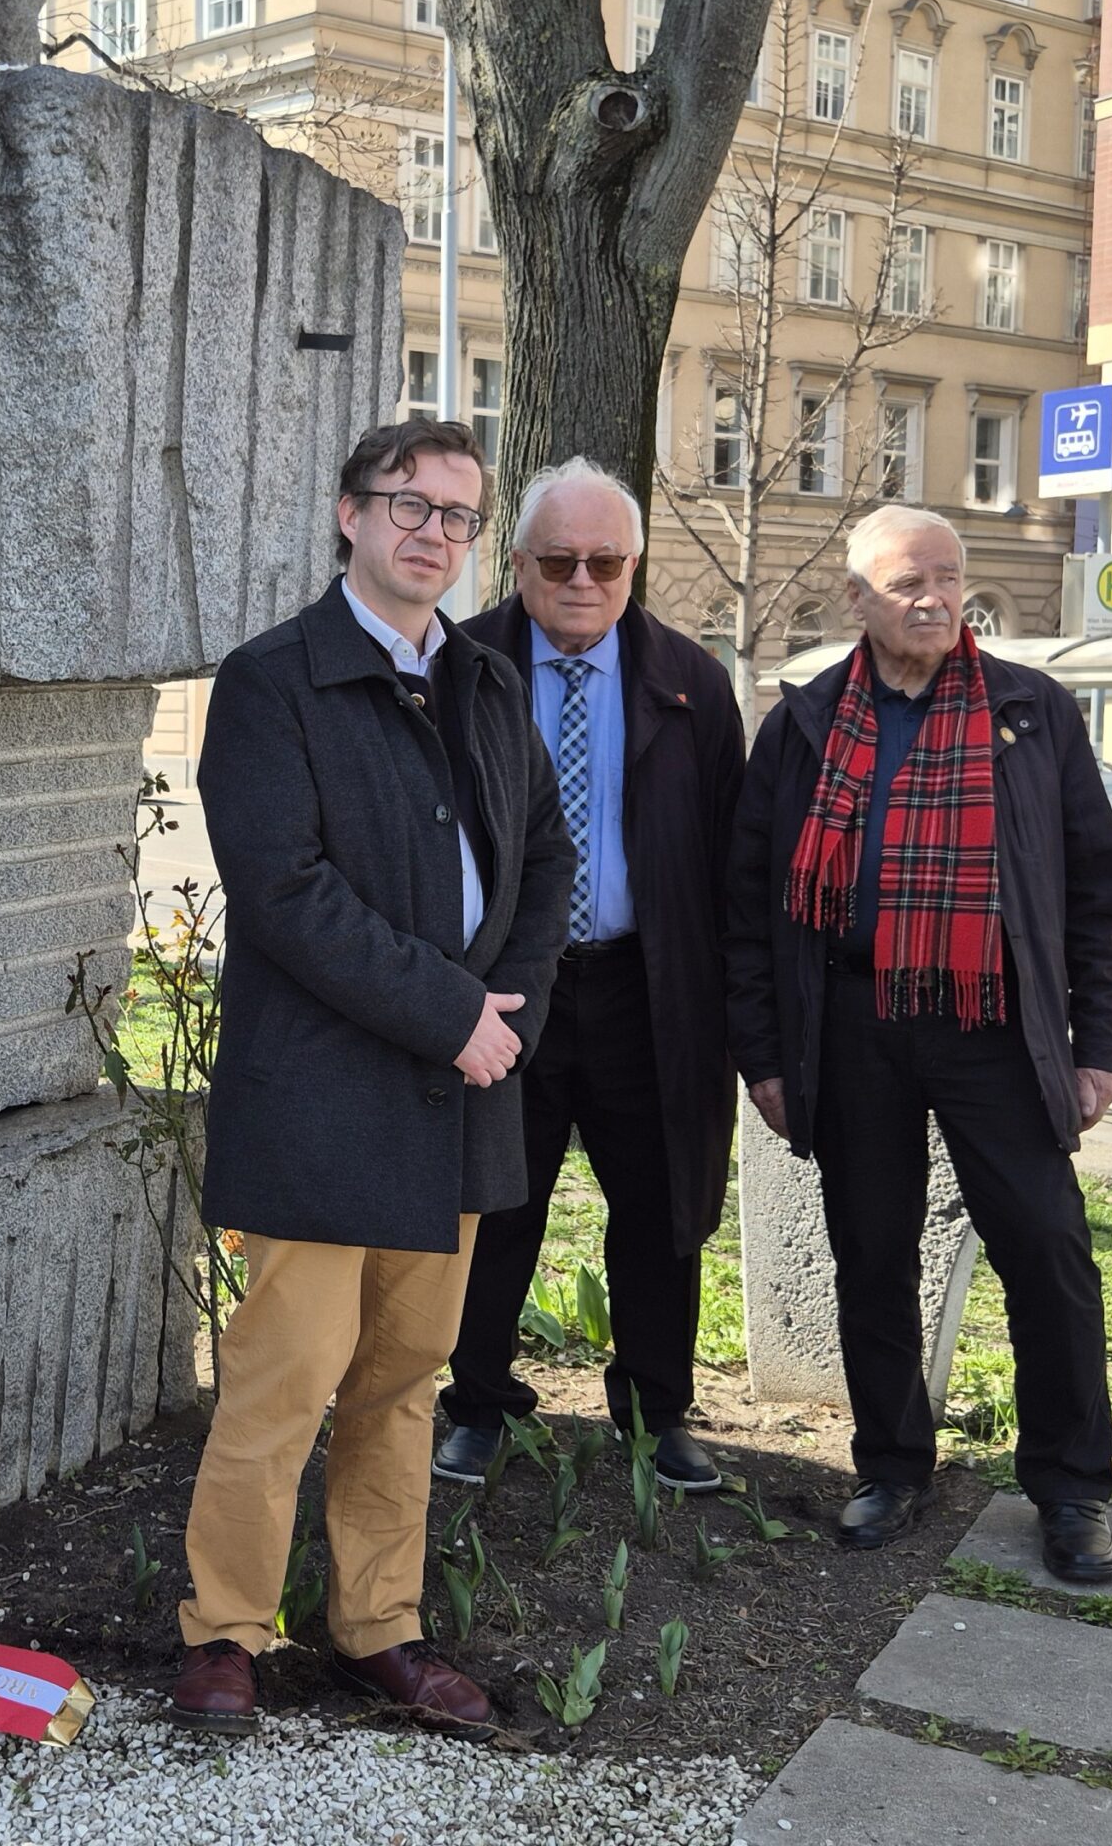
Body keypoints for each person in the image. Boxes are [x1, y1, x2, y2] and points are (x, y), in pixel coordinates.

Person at [169, 420, 573, 1735]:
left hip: (456, 1098)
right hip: (321, 1096)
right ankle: (225, 1633)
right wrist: (451, 1012)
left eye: (458, 515)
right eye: (409, 504)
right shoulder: (273, 680)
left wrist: (504, 1017)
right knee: (282, 1383)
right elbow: (284, 891)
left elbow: (546, 861)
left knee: (403, 1386)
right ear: (350, 513)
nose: (433, 533)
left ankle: (376, 1629)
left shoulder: (486, 680)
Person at [725, 505, 1112, 1583]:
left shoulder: (1030, 712)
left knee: (1046, 1246)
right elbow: (748, 909)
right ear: (857, 598)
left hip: (993, 1024)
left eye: (948, 577)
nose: (936, 599)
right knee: (870, 1249)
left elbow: (1092, 890)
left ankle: (1070, 1488)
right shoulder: (804, 723)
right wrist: (764, 1057)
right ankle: (893, 1464)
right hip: (850, 1024)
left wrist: (1098, 1043)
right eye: (909, 582)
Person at [435, 459, 743, 1492]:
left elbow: (729, 857)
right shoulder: (460, 665)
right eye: (558, 560)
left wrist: (729, 1008)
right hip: (504, 987)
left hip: (645, 991)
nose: (582, 581)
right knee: (493, 1203)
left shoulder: (693, 683)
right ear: (517, 561)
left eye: (605, 563)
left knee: (660, 1209)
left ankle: (657, 1414)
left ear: (633, 566)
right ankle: (478, 1403)